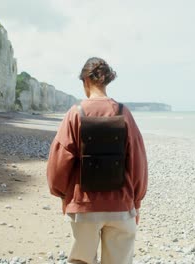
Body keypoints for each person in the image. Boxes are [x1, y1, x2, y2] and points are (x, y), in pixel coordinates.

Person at [46, 57, 148, 264]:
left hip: (83, 206)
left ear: (85, 81)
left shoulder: (75, 114)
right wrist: (136, 201)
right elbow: (138, 161)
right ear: (107, 81)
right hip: (121, 205)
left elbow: (59, 162)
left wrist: (62, 196)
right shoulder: (123, 113)